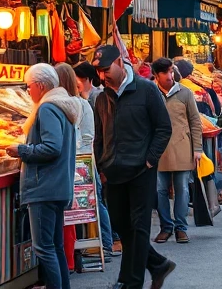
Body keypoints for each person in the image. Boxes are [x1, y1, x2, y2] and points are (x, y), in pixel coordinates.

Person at [91, 45, 175, 289]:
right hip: (113, 171)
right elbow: (99, 136)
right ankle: (157, 265)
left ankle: (131, 282)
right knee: (121, 226)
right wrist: (101, 166)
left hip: (140, 171)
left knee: (138, 228)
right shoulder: (101, 97)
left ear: (119, 62)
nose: (102, 76)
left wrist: (150, 159)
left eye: (106, 69)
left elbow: (163, 128)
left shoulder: (146, 90)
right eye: (98, 71)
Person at [6, 64, 82, 289]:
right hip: (58, 186)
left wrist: (21, 150)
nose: (28, 91)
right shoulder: (62, 105)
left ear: (39, 85)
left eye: (29, 86)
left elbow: (51, 147)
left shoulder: (48, 108)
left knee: (44, 248)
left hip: (44, 187)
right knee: (55, 246)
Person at [151, 58, 203, 244]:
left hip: (182, 147)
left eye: (171, 71)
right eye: (164, 73)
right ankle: (166, 227)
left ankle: (181, 227)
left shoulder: (185, 93)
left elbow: (195, 122)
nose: (169, 76)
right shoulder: (151, 93)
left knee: (182, 189)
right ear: (156, 75)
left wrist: (197, 148)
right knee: (160, 190)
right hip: (157, 150)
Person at [72, 63, 118, 259]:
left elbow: (98, 134)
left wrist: (101, 162)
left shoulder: (96, 98)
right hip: (92, 157)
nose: (78, 85)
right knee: (98, 200)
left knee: (97, 201)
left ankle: (107, 242)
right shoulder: (87, 98)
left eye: (80, 81)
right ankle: (108, 240)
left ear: (88, 80)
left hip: (92, 158)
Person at [56, 63, 97, 272]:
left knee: (67, 218)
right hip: (73, 164)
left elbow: (88, 136)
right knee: (67, 218)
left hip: (73, 167)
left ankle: (69, 261)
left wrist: (80, 157)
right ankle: (69, 261)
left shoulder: (76, 105)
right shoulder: (77, 104)